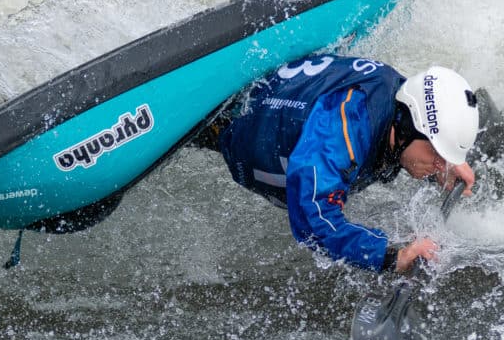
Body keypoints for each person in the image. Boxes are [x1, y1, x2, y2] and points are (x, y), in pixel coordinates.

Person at [203, 54, 479, 275]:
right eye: (436, 153)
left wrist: (450, 161)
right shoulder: (341, 136)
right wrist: (392, 255)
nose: (440, 164)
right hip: (229, 121)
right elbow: (314, 220)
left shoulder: (401, 98)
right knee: (216, 127)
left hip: (283, 89)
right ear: (408, 128)